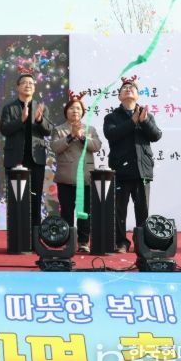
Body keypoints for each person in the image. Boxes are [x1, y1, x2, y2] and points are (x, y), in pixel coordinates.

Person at [103, 75, 163, 253]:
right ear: (119, 96)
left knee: (142, 210)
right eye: (124, 88)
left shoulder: (147, 115)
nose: (128, 89)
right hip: (121, 170)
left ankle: (141, 242)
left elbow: (156, 135)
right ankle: (121, 242)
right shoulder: (111, 117)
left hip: (142, 170)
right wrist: (132, 121)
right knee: (119, 210)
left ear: (137, 95)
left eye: (132, 88)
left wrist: (143, 121)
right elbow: (111, 135)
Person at [50, 90, 102, 253]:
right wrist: (71, 136)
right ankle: (67, 241)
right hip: (65, 178)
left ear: (83, 112)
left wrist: (82, 137)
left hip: (85, 177)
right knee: (66, 211)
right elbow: (55, 147)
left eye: (78, 108)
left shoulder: (90, 129)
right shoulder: (59, 129)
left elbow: (97, 146)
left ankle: (83, 242)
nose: (75, 111)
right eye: (72, 108)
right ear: (66, 111)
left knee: (84, 212)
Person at [0, 69, 52, 228]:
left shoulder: (41, 107)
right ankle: (16, 235)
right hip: (15, 159)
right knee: (15, 198)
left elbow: (48, 130)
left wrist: (40, 120)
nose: (28, 85)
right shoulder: (9, 108)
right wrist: (21, 120)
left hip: (36, 159)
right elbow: (4, 129)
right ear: (18, 87)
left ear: (34, 88)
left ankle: (35, 235)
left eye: (31, 83)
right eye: (24, 83)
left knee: (35, 198)